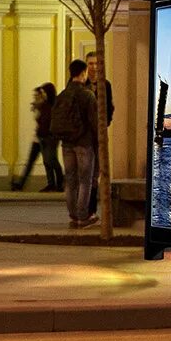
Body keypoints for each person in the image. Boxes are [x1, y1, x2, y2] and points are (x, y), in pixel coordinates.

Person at [53, 59, 98, 229]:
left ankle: (72, 215)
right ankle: (82, 216)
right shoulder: (87, 95)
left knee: (70, 180)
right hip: (84, 143)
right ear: (83, 73)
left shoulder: (62, 94)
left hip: (66, 143)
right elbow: (94, 123)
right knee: (85, 180)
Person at [13, 84, 63, 192]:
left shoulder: (54, 105)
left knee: (51, 161)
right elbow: (41, 121)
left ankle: (59, 183)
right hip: (40, 137)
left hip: (50, 137)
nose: (42, 94)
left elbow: (51, 121)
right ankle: (50, 184)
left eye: (43, 92)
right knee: (43, 161)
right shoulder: (42, 105)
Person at [85, 51, 113, 218]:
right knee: (84, 174)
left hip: (98, 136)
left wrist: (104, 124)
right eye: (90, 64)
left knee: (95, 174)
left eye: (96, 64)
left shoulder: (105, 85)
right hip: (82, 136)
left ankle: (91, 209)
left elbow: (109, 107)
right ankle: (81, 211)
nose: (94, 67)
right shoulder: (80, 84)